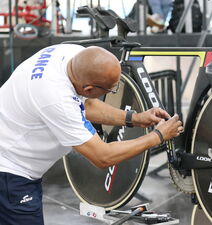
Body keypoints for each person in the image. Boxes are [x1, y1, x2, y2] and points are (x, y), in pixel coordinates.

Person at [0, 44, 183, 224]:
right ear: (88, 88)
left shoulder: (72, 54)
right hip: (10, 171)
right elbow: (102, 156)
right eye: (111, 89)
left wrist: (136, 118)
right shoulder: (56, 98)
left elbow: (86, 105)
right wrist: (157, 136)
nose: (114, 90)